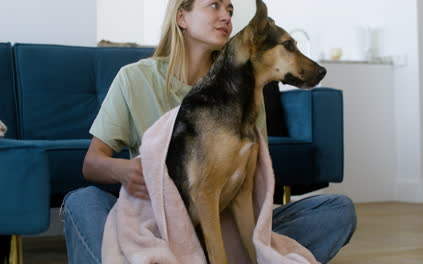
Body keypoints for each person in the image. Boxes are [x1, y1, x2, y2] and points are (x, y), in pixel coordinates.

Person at [62, 0, 357, 263]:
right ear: (182, 18)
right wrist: (125, 171)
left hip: (225, 222)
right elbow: (92, 163)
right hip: (158, 220)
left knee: (337, 209)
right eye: (214, 5)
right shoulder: (134, 78)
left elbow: (246, 182)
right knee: (81, 201)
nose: (226, 15)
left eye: (229, 9)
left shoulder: (247, 91)